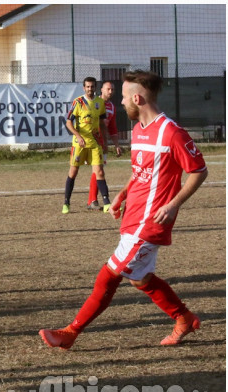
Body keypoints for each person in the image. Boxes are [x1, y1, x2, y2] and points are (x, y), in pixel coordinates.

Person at [39, 70, 208, 350]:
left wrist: (172, 204)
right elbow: (141, 172)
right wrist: (122, 194)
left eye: (124, 98)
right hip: (134, 216)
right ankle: (185, 318)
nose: (119, 104)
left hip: (150, 221)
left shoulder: (172, 133)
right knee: (140, 278)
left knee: (109, 275)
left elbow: (199, 171)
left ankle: (70, 333)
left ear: (138, 99)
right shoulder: (140, 130)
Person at [62, 76, 111, 214]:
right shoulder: (78, 102)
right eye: (88, 86)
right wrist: (78, 136)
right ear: (84, 88)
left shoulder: (100, 102)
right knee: (73, 172)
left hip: (95, 143)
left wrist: (105, 141)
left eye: (92, 86)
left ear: (95, 87)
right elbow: (68, 122)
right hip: (79, 144)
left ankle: (107, 203)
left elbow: (102, 123)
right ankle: (66, 202)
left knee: (99, 172)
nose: (90, 89)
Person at [87, 81, 123, 210]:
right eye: (108, 89)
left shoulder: (111, 106)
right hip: (92, 141)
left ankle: (92, 200)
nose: (111, 91)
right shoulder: (95, 102)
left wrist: (116, 145)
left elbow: (112, 128)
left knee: (98, 169)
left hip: (103, 142)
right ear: (101, 89)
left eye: (112, 89)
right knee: (98, 169)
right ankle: (93, 200)